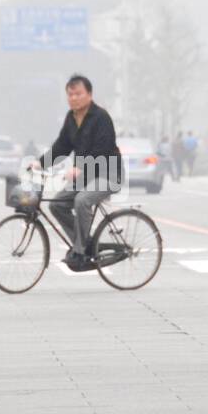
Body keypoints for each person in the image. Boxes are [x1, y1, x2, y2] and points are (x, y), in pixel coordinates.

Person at [32, 74, 120, 271]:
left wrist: (80, 167)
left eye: (78, 94)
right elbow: (62, 146)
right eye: (70, 94)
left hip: (108, 174)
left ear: (89, 94)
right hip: (84, 176)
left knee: (82, 200)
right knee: (57, 204)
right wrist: (40, 163)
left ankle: (79, 252)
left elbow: (103, 149)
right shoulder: (71, 118)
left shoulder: (101, 117)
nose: (73, 98)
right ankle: (84, 244)